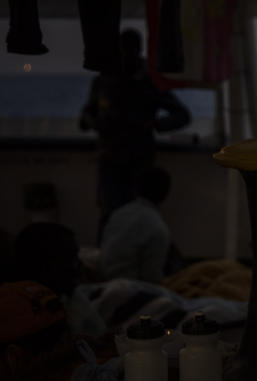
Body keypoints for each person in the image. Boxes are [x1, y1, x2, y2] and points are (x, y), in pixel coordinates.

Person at [79, 27, 190, 239]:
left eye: (129, 50)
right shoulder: (105, 79)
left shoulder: (149, 81)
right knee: (110, 214)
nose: (125, 55)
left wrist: (154, 125)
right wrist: (94, 122)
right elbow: (86, 115)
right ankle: (106, 264)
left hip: (139, 160)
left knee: (139, 216)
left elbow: (182, 115)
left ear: (137, 50)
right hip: (110, 159)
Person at [99, 166, 173, 283]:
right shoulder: (158, 228)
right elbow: (151, 277)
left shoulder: (118, 214)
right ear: (166, 193)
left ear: (135, 189)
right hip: (133, 288)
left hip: (105, 281)